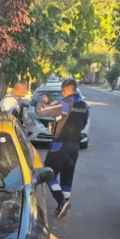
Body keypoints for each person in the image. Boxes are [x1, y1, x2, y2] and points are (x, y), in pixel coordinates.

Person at [36, 78, 89, 219]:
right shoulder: (84, 105)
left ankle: (61, 200)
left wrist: (43, 101)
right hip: (75, 147)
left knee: (47, 173)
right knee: (67, 178)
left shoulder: (66, 104)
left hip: (60, 144)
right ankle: (63, 206)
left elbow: (42, 111)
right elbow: (83, 124)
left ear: (65, 90)